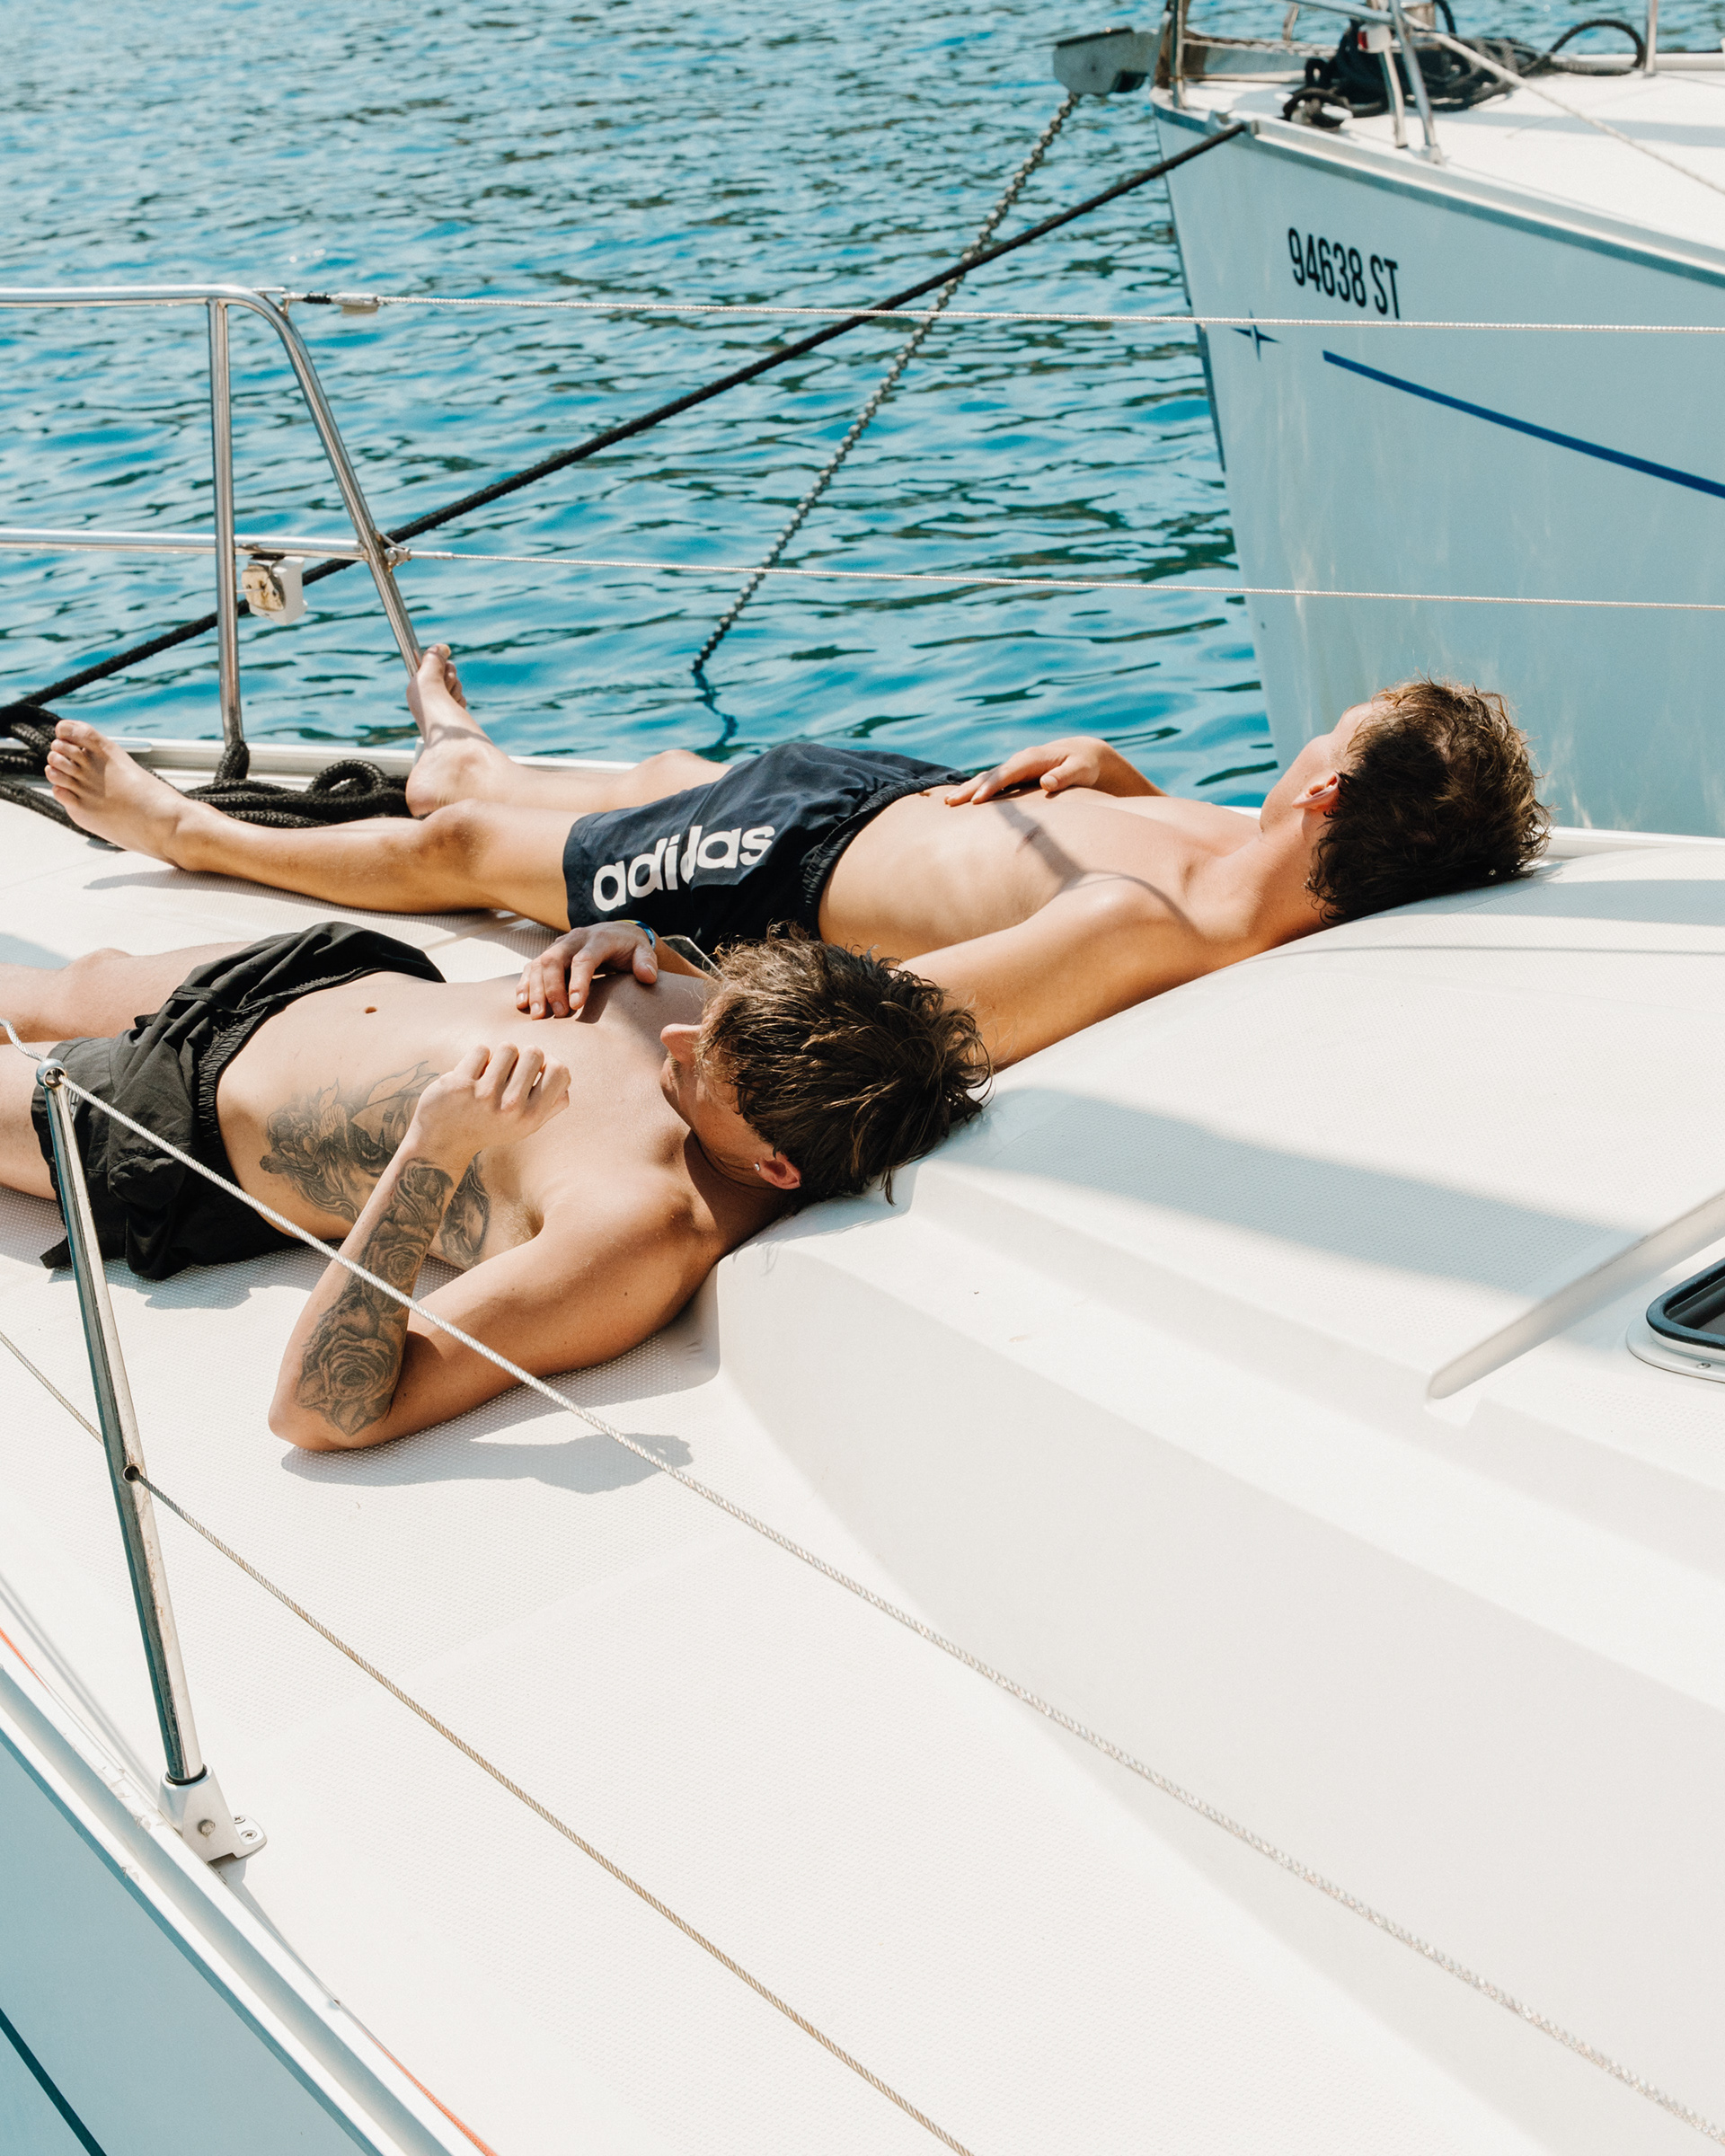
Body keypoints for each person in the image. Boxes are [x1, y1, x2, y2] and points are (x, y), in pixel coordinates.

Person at [40, 646, 1548, 1066]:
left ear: (1328, 795)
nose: (1305, 746)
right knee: (655, 775)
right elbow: (1155, 835)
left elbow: (906, 1013)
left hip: (784, 869)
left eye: (1327, 737)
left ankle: (185, 829)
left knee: (478, 853)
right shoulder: (1262, 861)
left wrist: (680, 972)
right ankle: (472, 752)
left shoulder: (1147, 928)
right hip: (889, 793)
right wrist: (1118, 774)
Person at [0, 922, 987, 1451]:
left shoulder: (638, 1227)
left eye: (704, 1058)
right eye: (710, 1006)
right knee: (68, 978)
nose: (677, 1032)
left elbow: (321, 1413)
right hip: (320, 973)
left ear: (776, 1166)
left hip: (172, 1116)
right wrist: (635, 940)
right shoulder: (793, 1063)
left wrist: (434, 1151)